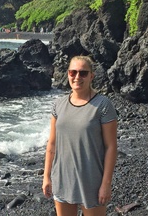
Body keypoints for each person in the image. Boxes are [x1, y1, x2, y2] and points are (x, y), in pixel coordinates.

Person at [42, 55, 118, 216]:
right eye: (73, 72)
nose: (77, 77)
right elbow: (52, 144)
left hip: (91, 181)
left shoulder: (102, 105)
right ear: (68, 74)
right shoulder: (59, 104)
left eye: (83, 73)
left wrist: (106, 183)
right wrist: (47, 176)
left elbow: (111, 147)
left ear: (92, 76)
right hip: (62, 178)